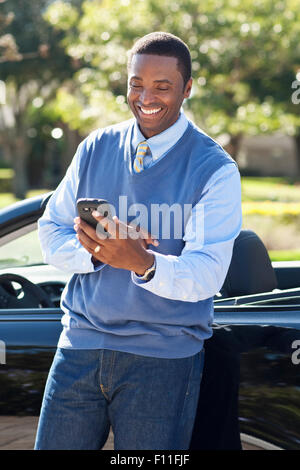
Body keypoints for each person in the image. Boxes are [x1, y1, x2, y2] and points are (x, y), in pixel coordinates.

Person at [34, 31, 242, 450]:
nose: (146, 96)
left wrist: (142, 263)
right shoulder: (95, 147)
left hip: (162, 360)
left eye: (162, 86)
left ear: (187, 89)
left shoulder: (216, 169)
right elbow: (50, 229)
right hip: (79, 348)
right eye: (136, 84)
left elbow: (207, 275)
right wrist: (97, 254)